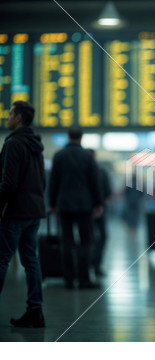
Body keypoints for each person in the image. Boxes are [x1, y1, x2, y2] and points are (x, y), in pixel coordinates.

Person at [0, 101, 46, 327]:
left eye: (9, 114)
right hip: (34, 212)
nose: (6, 117)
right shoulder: (36, 146)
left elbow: (8, 184)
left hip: (15, 212)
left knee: (1, 258)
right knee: (31, 260)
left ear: (18, 118)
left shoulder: (13, 144)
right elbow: (42, 181)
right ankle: (35, 311)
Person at [49, 127, 103, 289]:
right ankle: (84, 279)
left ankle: (69, 279)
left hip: (64, 205)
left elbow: (53, 182)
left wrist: (52, 203)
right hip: (84, 205)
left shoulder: (59, 156)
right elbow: (95, 182)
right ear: (81, 138)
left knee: (66, 241)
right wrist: (98, 203)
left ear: (68, 137)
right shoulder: (87, 156)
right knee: (86, 242)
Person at [88, 149, 112, 277]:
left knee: (87, 237)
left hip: (86, 210)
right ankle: (96, 265)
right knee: (102, 237)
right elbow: (108, 191)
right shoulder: (101, 171)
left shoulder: (83, 172)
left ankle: (87, 264)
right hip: (100, 210)